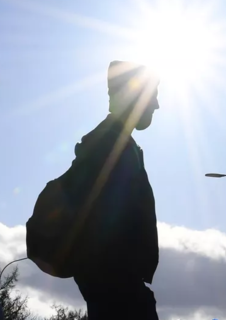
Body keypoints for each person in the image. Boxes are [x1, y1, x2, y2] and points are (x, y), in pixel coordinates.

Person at [61, 61, 160, 320]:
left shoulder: (114, 144)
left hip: (115, 283)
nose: (157, 105)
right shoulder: (112, 147)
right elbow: (104, 222)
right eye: (154, 95)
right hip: (117, 285)